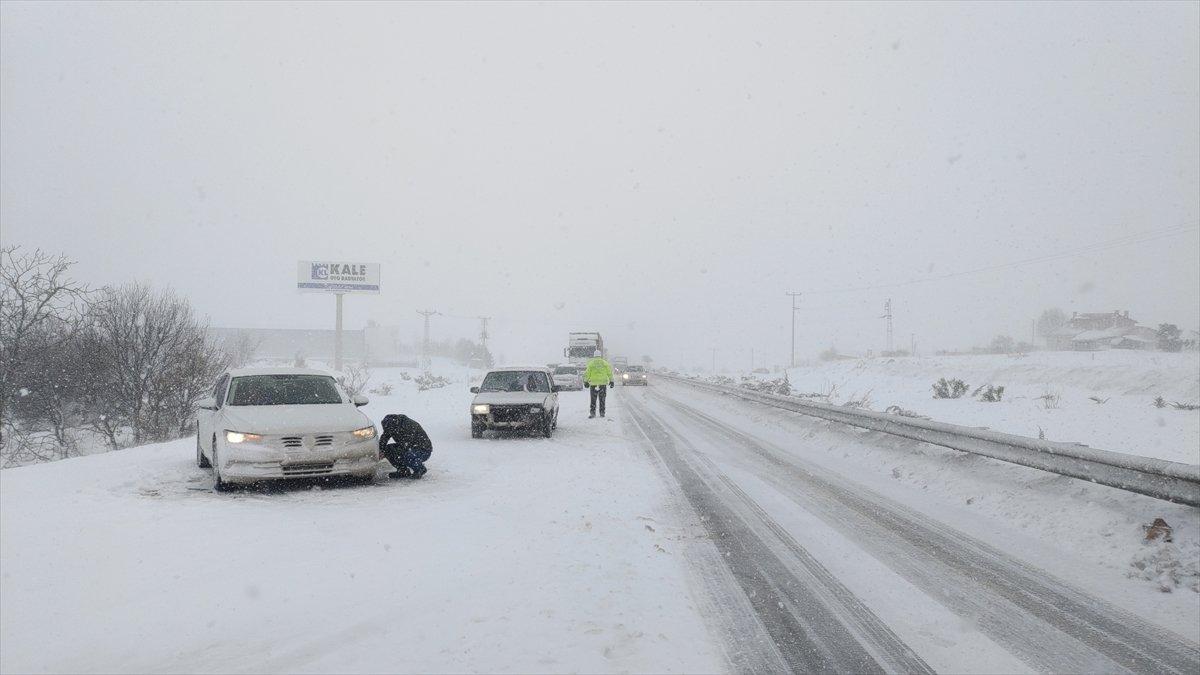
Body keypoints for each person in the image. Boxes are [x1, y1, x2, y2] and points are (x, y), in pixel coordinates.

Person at [378, 414, 432, 479]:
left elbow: (406, 445)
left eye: (390, 430)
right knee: (388, 450)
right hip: (407, 447)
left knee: (406, 454)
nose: (389, 431)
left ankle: (420, 469)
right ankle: (403, 471)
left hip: (423, 450)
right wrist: (381, 450)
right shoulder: (390, 425)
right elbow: (384, 438)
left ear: (395, 425)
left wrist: (396, 453)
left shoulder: (409, 425)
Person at [582, 349, 614, 418]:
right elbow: (609, 373)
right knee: (602, 399)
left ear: (594, 355)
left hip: (593, 384)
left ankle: (592, 413)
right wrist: (611, 381)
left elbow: (587, 373)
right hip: (602, 384)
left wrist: (586, 381)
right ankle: (602, 413)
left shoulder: (591, 363)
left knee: (593, 400)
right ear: (600, 355)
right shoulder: (604, 363)